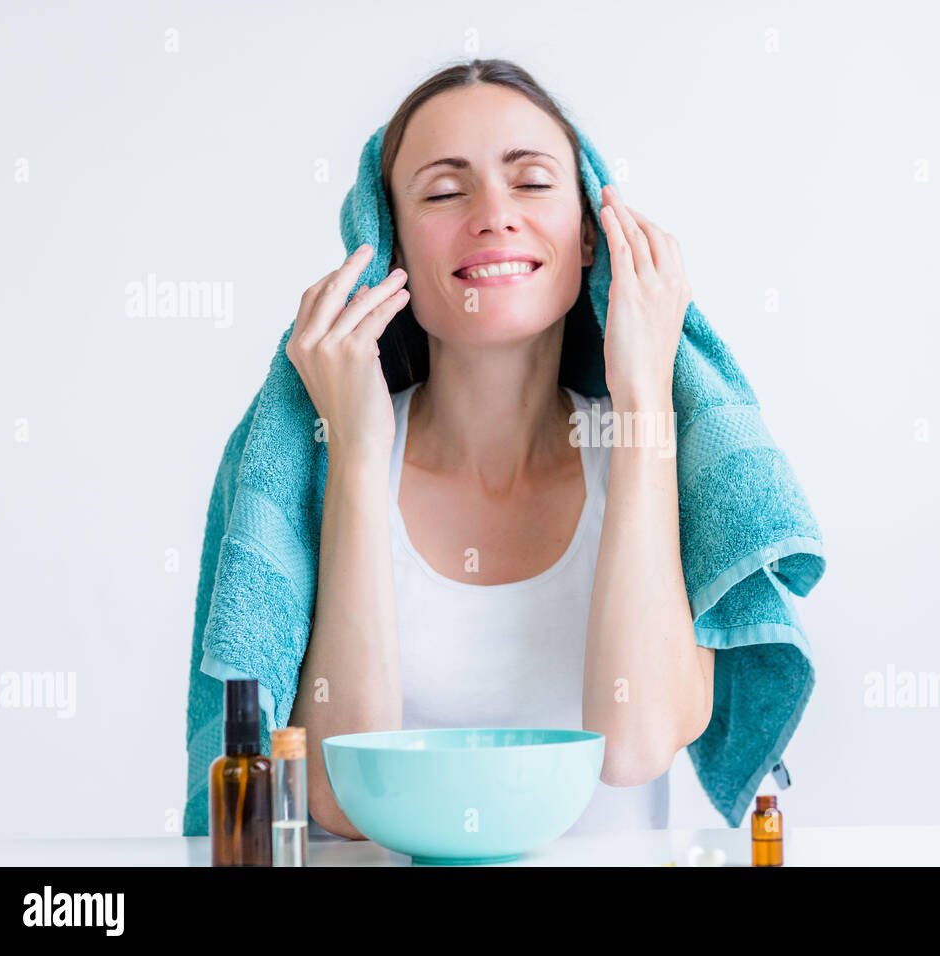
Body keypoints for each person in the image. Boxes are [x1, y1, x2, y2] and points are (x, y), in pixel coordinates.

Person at [284, 59, 712, 839]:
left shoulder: (663, 457)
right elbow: (345, 800)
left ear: (590, 236)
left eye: (533, 181)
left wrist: (646, 392)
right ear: (392, 250)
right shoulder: (321, 465)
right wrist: (355, 453)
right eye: (445, 192)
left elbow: (636, 743)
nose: (493, 214)